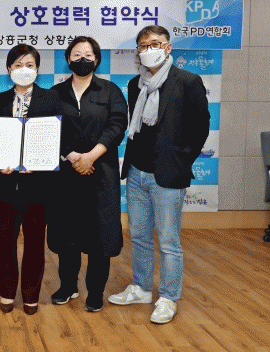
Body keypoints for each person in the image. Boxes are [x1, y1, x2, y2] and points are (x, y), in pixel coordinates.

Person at [108, 25, 209, 324]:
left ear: (167, 47)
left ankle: (168, 296)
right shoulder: (134, 84)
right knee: (139, 235)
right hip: (136, 171)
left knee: (168, 241)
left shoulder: (188, 81)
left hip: (168, 175)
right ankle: (141, 288)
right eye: (143, 45)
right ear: (138, 52)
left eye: (155, 43)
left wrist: (181, 161)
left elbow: (200, 127)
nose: (149, 49)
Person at [48, 36, 128, 313]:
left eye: (88, 54)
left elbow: (117, 124)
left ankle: (95, 292)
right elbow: (50, 128)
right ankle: (68, 286)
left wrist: (91, 156)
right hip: (66, 175)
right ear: (68, 59)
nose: (83, 59)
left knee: (100, 237)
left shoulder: (110, 91)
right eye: (77, 54)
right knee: (67, 235)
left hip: (101, 173)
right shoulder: (55, 93)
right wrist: (72, 156)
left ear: (97, 60)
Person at [0, 44, 64, 315]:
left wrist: (39, 165)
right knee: (5, 243)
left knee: (34, 244)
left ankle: (31, 295)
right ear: (9, 69)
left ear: (37, 69)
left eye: (29, 65)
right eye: (18, 65)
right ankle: (7, 293)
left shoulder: (52, 98)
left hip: (38, 186)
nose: (24, 69)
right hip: (5, 184)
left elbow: (57, 138)